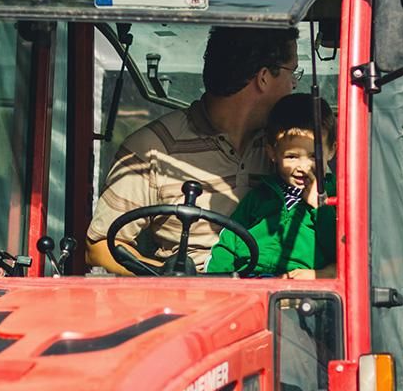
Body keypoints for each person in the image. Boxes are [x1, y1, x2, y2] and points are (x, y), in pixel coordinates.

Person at [85, 26, 300, 274]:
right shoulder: (153, 148)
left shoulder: (292, 148)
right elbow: (98, 247)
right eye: (292, 71)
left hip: (277, 299)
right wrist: (173, 278)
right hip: (186, 303)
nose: (294, 84)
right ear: (263, 77)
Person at [206, 94, 337, 278]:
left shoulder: (337, 197)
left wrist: (319, 207)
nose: (302, 167)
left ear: (331, 150)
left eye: (313, 156)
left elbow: (343, 249)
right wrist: (216, 281)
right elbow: (229, 240)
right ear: (272, 153)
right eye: (292, 156)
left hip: (303, 289)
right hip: (250, 280)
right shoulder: (261, 194)